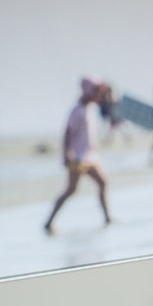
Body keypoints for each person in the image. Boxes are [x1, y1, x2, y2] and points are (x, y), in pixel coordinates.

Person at [44, 77, 112, 234]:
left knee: (102, 182)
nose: (98, 96)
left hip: (90, 157)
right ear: (88, 92)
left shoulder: (90, 109)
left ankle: (107, 218)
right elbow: (67, 133)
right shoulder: (77, 111)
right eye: (96, 92)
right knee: (71, 189)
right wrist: (66, 154)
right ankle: (48, 222)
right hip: (78, 158)